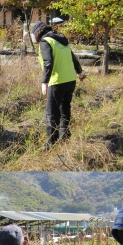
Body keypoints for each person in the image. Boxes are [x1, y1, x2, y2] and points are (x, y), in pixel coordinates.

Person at [30, 20, 85, 149]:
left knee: (51, 113)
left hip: (57, 81)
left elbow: (48, 63)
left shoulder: (45, 42)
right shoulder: (62, 39)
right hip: (70, 80)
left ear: (38, 32)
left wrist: (44, 82)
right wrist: (80, 73)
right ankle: (64, 137)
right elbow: (73, 59)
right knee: (65, 109)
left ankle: (50, 145)